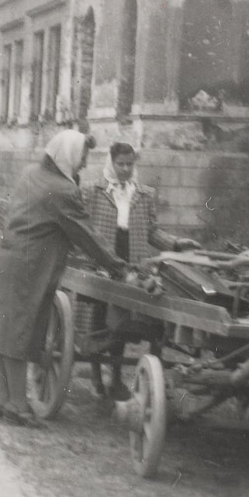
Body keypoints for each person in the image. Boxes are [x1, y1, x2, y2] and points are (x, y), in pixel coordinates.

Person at [0, 130, 127, 428]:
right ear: (69, 156)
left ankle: (1, 397)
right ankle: (19, 407)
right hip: (28, 268)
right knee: (18, 335)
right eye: (82, 158)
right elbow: (86, 236)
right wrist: (116, 265)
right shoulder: (63, 190)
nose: (84, 165)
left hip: (7, 258)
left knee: (3, 332)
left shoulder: (30, 173)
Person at [77, 142, 201, 399]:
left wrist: (176, 243)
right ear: (111, 162)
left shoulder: (143, 194)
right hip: (103, 260)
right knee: (99, 319)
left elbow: (152, 231)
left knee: (123, 319)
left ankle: (117, 379)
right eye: (120, 164)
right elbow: (84, 229)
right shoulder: (93, 191)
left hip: (132, 263)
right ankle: (97, 376)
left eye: (129, 164)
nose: (124, 169)